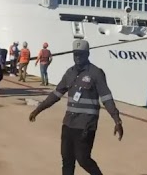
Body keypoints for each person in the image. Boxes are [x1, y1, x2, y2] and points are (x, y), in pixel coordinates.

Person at [29, 39, 123, 175]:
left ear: (87, 54)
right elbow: (56, 94)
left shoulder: (96, 73)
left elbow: (106, 97)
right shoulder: (70, 73)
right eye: (75, 54)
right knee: (67, 160)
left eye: (81, 54)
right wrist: (38, 109)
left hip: (85, 125)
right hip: (68, 124)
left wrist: (117, 120)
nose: (77, 58)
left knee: (83, 159)